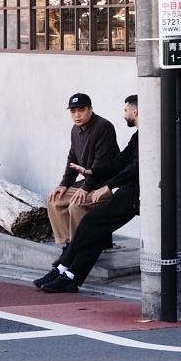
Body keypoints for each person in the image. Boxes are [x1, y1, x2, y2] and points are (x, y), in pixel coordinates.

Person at [36, 94, 139, 293]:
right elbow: (120, 162)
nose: (124, 114)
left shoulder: (108, 129)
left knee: (89, 222)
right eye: (73, 111)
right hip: (127, 191)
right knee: (93, 229)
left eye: (126, 111)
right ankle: (69, 275)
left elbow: (134, 167)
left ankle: (64, 268)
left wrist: (107, 185)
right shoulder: (137, 136)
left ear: (135, 112)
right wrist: (90, 173)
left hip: (137, 196)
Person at [46, 93, 119, 249]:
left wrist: (85, 188)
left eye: (81, 110)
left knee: (76, 205)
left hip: (105, 184)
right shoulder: (75, 129)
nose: (77, 115)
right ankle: (68, 246)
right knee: (55, 200)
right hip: (87, 183)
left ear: (90, 109)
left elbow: (101, 163)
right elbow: (72, 158)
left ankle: (81, 249)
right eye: (72, 111)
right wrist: (64, 185)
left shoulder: (103, 127)